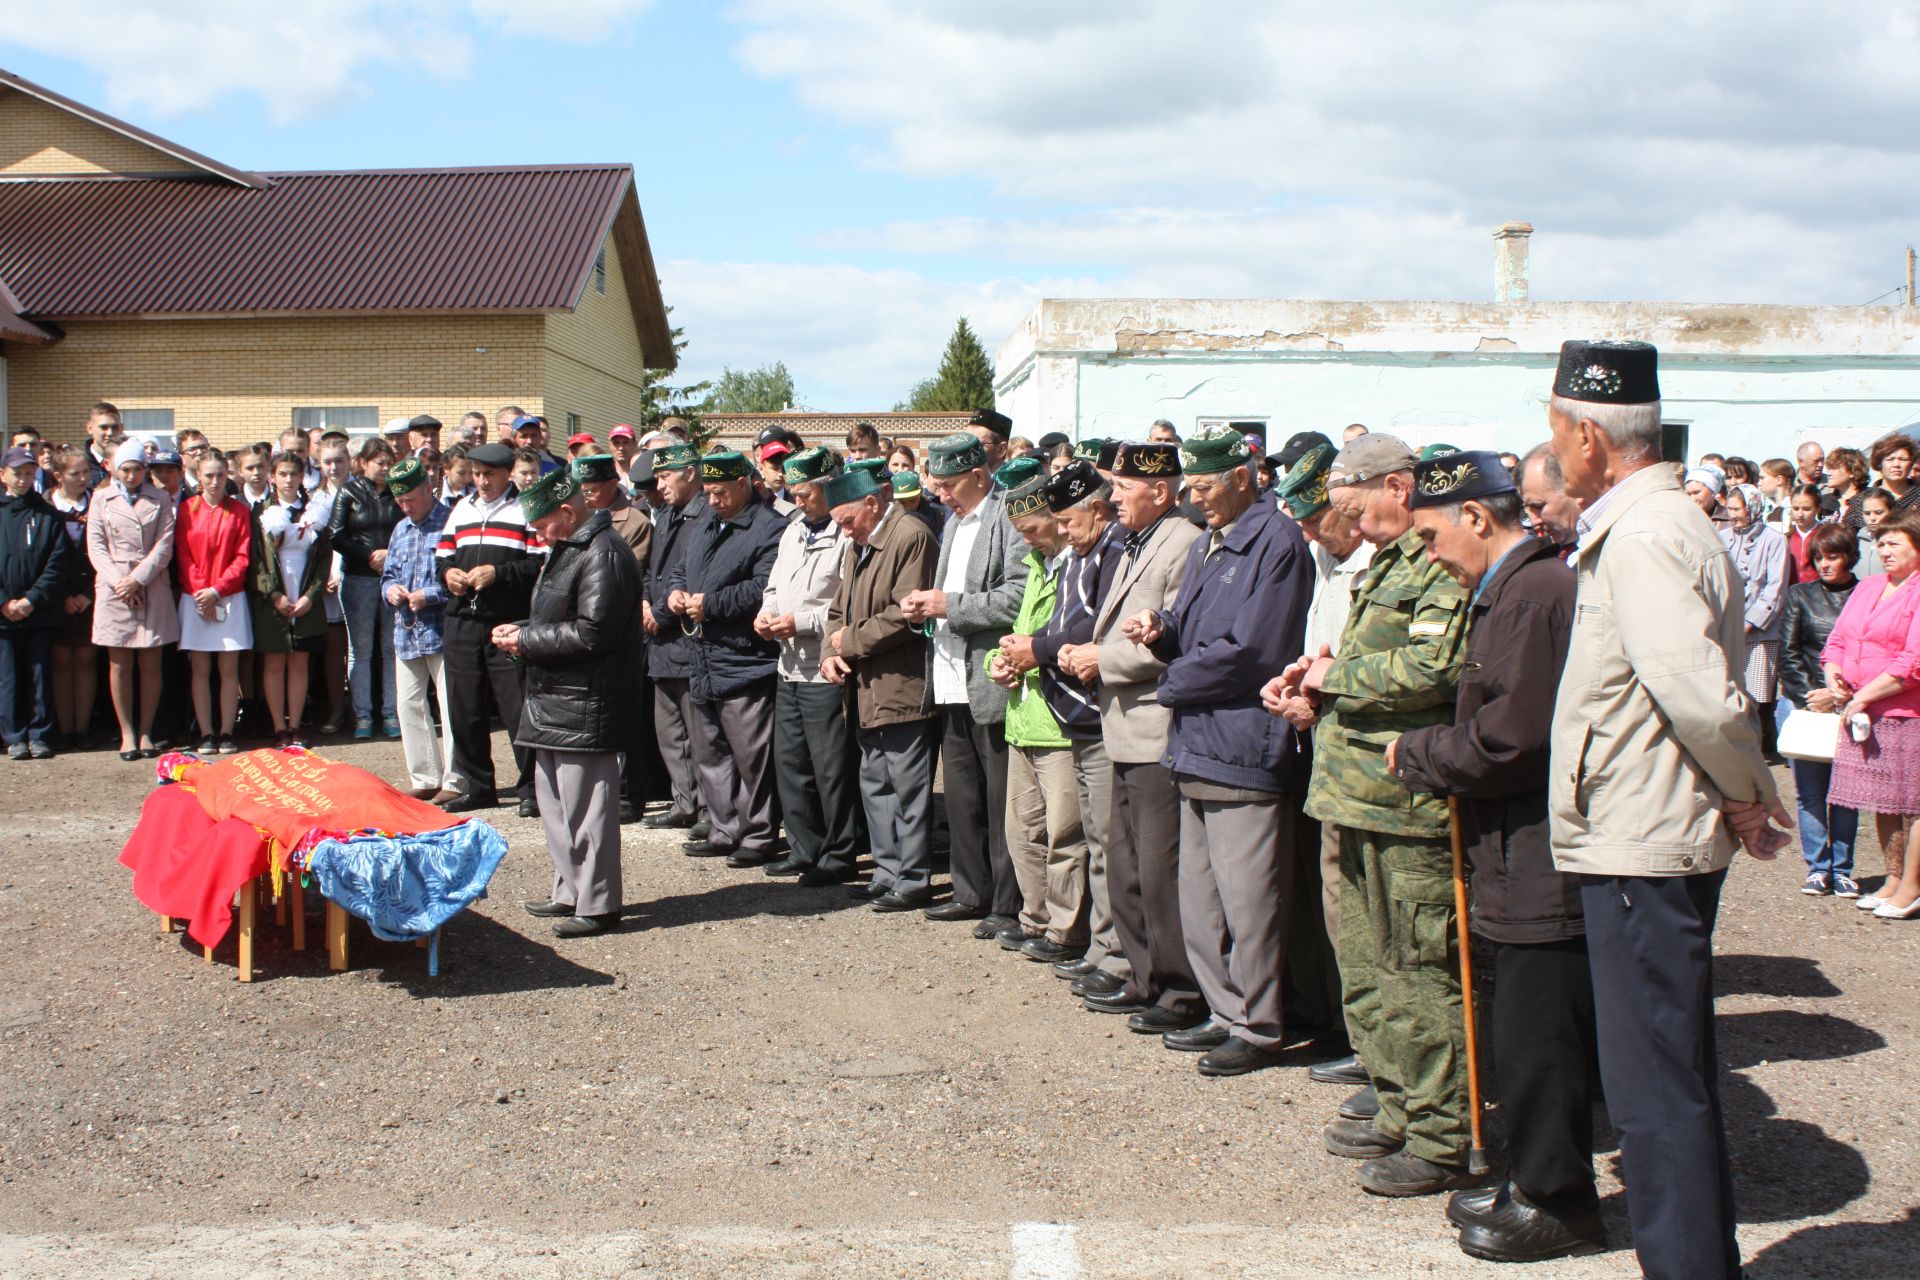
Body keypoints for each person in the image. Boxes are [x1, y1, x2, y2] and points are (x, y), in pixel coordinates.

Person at [1547, 338, 1786, 1280]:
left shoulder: (1645, 534)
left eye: (1558, 431)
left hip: (1645, 837)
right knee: (1665, 1078)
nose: (1556, 448)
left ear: (1592, 441)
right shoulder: (1659, 522)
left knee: (1653, 1090)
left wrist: (1747, 796)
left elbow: (1696, 691)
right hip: (1642, 827)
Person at [1385, 451, 1602, 1263]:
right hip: (1509, 850)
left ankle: (1561, 1200)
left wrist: (1419, 752)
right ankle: (1526, 1176)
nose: (1431, 555)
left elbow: (1514, 736)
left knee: (1542, 1036)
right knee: (1517, 1032)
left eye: (1435, 535)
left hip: (1540, 852)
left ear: (1477, 517)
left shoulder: (1538, 592)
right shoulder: (1509, 588)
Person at [1275, 434, 1473, 1197]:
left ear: (1398, 484)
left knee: (1415, 973)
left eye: (1355, 507)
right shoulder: (1388, 561)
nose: (1346, 523)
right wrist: (1310, 691)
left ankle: (1441, 1130)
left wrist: (1335, 675)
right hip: (1349, 797)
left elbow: (1434, 668)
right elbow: (1364, 674)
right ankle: (1397, 1103)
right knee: (1364, 970)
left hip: (1404, 807)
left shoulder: (1436, 561)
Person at [1132, 427, 1312, 1075]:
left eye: (1204, 486)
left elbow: (1253, 649)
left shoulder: (1278, 544)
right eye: (1190, 487)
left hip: (1242, 746)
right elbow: (1196, 627)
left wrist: (1169, 682)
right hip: (1197, 744)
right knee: (1201, 900)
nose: (1195, 498)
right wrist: (1162, 631)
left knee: (1249, 900)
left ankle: (1259, 1024)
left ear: (1243, 477)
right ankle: (1224, 1011)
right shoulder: (1216, 541)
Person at [1070, 441, 1204, 1018]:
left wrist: (1103, 659)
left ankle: (1180, 987)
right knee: (1124, 860)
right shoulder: (1136, 541)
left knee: (1157, 866)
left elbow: (1173, 639)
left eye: (1124, 488)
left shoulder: (1182, 543)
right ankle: (1144, 973)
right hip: (1120, 722)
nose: (1114, 496)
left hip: (1153, 724)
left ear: (1162, 491)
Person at [493, 467, 645, 938]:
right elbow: (560, 615)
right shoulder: (570, 548)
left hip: (586, 701)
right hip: (557, 697)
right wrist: (522, 628)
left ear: (567, 511)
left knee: (588, 809)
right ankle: (569, 889)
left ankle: (598, 902)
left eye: (542, 526)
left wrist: (525, 639)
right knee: (556, 804)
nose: (538, 536)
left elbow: (594, 632)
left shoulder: (603, 554)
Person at [1270, 443, 1373, 1060]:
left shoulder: (1376, 564)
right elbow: (1323, 644)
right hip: (1320, 749)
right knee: (1326, 896)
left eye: (1318, 519)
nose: (1309, 531)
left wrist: (1319, 692)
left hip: (1355, 753)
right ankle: (1344, 1025)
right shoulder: (1323, 556)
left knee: (1354, 906)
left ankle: (1369, 1047)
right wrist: (1298, 673)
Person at [903, 436, 1025, 932]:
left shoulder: (1009, 517)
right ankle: (968, 892)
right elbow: (947, 598)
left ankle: (1005, 904)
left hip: (990, 678)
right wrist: (924, 610)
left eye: (950, 486)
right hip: (952, 677)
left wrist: (948, 607)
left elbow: (1017, 597)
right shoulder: (953, 523)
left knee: (1000, 803)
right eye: (938, 486)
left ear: (979, 475)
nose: (944, 496)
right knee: (961, 800)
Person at [822, 466, 940, 907]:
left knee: (907, 788)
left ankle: (912, 878)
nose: (843, 530)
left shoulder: (910, 535)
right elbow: (838, 609)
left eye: (847, 520)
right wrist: (828, 654)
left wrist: (847, 643)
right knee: (875, 783)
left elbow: (908, 614)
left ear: (872, 503)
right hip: (865, 687)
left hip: (901, 686)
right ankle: (887, 869)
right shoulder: (859, 543)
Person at [1025, 462, 1126, 970]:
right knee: (1094, 838)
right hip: (1075, 718)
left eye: (1068, 521)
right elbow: (1063, 620)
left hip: (1101, 714)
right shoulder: (1077, 556)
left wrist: (1038, 649)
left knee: (1106, 844)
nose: (1062, 532)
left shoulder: (1113, 553)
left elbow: (1097, 625)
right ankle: (1101, 946)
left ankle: (1111, 950)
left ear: (1099, 510)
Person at [984, 467, 1087, 958]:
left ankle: (1066, 932)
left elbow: (1071, 640)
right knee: (1022, 831)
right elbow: (1018, 632)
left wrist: (1030, 652)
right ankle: (1036, 916)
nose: (1024, 538)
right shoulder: (1037, 566)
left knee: (1064, 836)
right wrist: (997, 662)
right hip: (1023, 719)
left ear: (1056, 519)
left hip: (1060, 725)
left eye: (1030, 529)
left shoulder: (1078, 567)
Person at [669, 449, 785, 865]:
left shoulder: (770, 527)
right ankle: (723, 829)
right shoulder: (705, 523)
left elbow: (763, 588)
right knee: (711, 753)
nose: (712, 500)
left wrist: (712, 604)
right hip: (701, 656)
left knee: (752, 757)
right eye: (707, 492)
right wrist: (676, 592)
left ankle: (758, 835)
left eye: (720, 492)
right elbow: (681, 567)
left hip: (745, 660)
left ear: (743, 485)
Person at [755, 446, 863, 883]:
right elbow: (773, 586)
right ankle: (804, 847)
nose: (797, 502)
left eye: (805, 494)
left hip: (823, 665)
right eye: (793, 494)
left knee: (831, 768)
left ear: (828, 485)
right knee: (791, 763)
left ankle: (839, 855)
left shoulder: (848, 533)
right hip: (787, 665)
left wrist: (801, 620)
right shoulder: (793, 529)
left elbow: (850, 605)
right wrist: (766, 614)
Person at [436, 441, 545, 816]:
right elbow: (443, 555)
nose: (481, 482)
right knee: (463, 707)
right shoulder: (460, 509)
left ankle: (531, 787)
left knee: (517, 707)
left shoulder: (526, 508)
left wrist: (499, 573)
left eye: (489, 475)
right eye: (476, 474)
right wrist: (448, 573)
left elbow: (540, 564)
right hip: (462, 621)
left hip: (506, 622)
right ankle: (478, 785)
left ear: (507, 473)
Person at [1824, 511, 1920, 920]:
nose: (1884, 551)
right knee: (1884, 802)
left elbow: (1914, 661)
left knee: (1914, 804)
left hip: (1907, 711)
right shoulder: (1868, 588)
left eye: (1894, 543)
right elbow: (1838, 640)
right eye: (1880, 544)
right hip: (1866, 710)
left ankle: (1912, 889)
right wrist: (1834, 676)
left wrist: (1864, 696)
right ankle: (1893, 879)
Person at [1778, 522, 1862, 898]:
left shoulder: (1867, 595)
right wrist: (1814, 695)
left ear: (1850, 556)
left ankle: (1842, 867)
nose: (1825, 564)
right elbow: (1788, 652)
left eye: (1834, 555)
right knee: (1809, 792)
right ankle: (1817, 867)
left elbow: (1870, 653)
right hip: (1807, 704)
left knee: (1846, 793)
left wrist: (1841, 695)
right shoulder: (1800, 595)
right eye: (1819, 557)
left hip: (1852, 703)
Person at [574, 452, 658, 823]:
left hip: (621, 630)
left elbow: (627, 574)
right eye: (582, 490)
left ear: (612, 486)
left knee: (627, 716)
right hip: (585, 628)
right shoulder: (578, 519)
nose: (586, 496)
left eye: (592, 490)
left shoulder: (634, 522)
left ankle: (629, 793)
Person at [90, 441, 178, 759]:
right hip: (115, 589)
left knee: (152, 663)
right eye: (125, 469)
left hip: (151, 584)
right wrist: (121, 583)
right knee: (120, 663)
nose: (131, 475)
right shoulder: (101, 499)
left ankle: (146, 732)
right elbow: (96, 546)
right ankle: (126, 732)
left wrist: (138, 579)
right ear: (115, 468)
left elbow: (164, 545)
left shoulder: (161, 498)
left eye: (137, 469)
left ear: (145, 470)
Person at [381, 460, 461, 801]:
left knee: (450, 704)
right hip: (407, 631)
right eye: (400, 501)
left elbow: (460, 578)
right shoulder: (400, 529)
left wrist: (426, 595)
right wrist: (392, 591)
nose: (405, 506)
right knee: (408, 705)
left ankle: (456, 779)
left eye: (411, 499)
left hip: (442, 629)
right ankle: (424, 777)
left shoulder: (450, 523)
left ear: (429, 488)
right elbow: (387, 576)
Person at [642, 442, 710, 835]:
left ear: (689, 473)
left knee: (697, 733)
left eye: (666, 476)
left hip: (685, 635)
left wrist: (662, 612)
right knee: (669, 731)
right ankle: (683, 800)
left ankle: (705, 806)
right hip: (660, 641)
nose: (660, 484)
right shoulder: (666, 515)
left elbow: (691, 574)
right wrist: (647, 604)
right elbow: (655, 571)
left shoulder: (703, 513)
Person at [172, 450, 252, 754]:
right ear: (199, 477)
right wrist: (200, 592)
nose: (215, 481)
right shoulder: (186, 510)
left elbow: (243, 557)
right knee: (201, 669)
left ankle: (227, 731)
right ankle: (206, 732)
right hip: (195, 599)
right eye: (209, 475)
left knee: (229, 669)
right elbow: (183, 554)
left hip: (229, 598)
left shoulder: (240, 511)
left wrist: (217, 590)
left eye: (220, 475)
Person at [248, 452, 329, 748]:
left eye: (293, 474)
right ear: (273, 477)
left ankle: (295, 726)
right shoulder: (261, 512)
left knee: (299, 663)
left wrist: (311, 596)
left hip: (305, 598)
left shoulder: (313, 511)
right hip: (275, 600)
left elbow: (323, 559)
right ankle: (278, 726)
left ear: (301, 477)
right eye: (282, 474)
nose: (288, 480)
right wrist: (273, 595)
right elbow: (256, 560)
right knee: (273, 663)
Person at [0, 446, 70, 760]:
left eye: (29, 474)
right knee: (9, 677)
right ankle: (14, 735)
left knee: (39, 674)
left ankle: (39, 734)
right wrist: (5, 603)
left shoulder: (48, 515)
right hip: (4, 615)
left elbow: (57, 563)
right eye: (17, 474)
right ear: (3, 475)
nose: (24, 480)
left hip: (38, 612)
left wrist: (31, 600)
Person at [329, 438, 401, 740]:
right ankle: (362, 715)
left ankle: (391, 713)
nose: (384, 468)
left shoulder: (399, 492)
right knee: (360, 650)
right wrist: (368, 556)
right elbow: (336, 534)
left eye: (388, 462)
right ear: (364, 463)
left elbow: (408, 527)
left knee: (391, 649)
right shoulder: (349, 490)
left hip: (392, 578)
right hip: (358, 578)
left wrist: (389, 555)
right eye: (378, 462)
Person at [1722, 485, 1790, 758]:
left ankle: (1754, 748)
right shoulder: (1721, 537)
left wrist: (1749, 623)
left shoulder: (1774, 540)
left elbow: (1775, 587)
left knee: (1755, 694)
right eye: (1729, 508)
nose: (1732, 514)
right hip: (1726, 626)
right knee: (1728, 689)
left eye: (1737, 509)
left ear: (1752, 508)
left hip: (1759, 631)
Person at [44, 448, 97, 749]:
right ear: (59, 475)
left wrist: (88, 595)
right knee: (61, 660)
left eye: (85, 473)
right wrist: (63, 595)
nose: (81, 479)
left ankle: (83, 728)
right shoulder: (46, 506)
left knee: (87, 659)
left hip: (91, 594)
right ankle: (66, 730)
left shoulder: (98, 503)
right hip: (56, 596)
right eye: (74, 473)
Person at [1518, 442, 1582, 553]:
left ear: (1573, 489)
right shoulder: (1541, 556)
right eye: (1526, 508)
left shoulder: (1612, 544)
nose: (1533, 522)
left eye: (1538, 506)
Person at [1871, 433, 1920, 512]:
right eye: (1890, 459)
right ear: (1880, 464)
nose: (1896, 465)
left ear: (1911, 464)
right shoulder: (1862, 499)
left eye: (1903, 459)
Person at [1785, 483, 1823, 584]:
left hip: (1819, 595)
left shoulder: (1825, 535)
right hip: (1791, 595)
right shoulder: (1786, 538)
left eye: (1806, 509)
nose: (1800, 514)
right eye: (1796, 508)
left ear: (1818, 508)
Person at [1827, 446, 1870, 531]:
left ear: (1852, 471)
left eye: (1834, 468)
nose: (1829, 473)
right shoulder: (1825, 502)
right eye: (1829, 468)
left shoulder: (1869, 498)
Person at [1857, 486, 1892, 576]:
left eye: (1879, 512)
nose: (1872, 518)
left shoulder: (1900, 542)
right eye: (1867, 513)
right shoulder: (1855, 541)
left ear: (1891, 512)